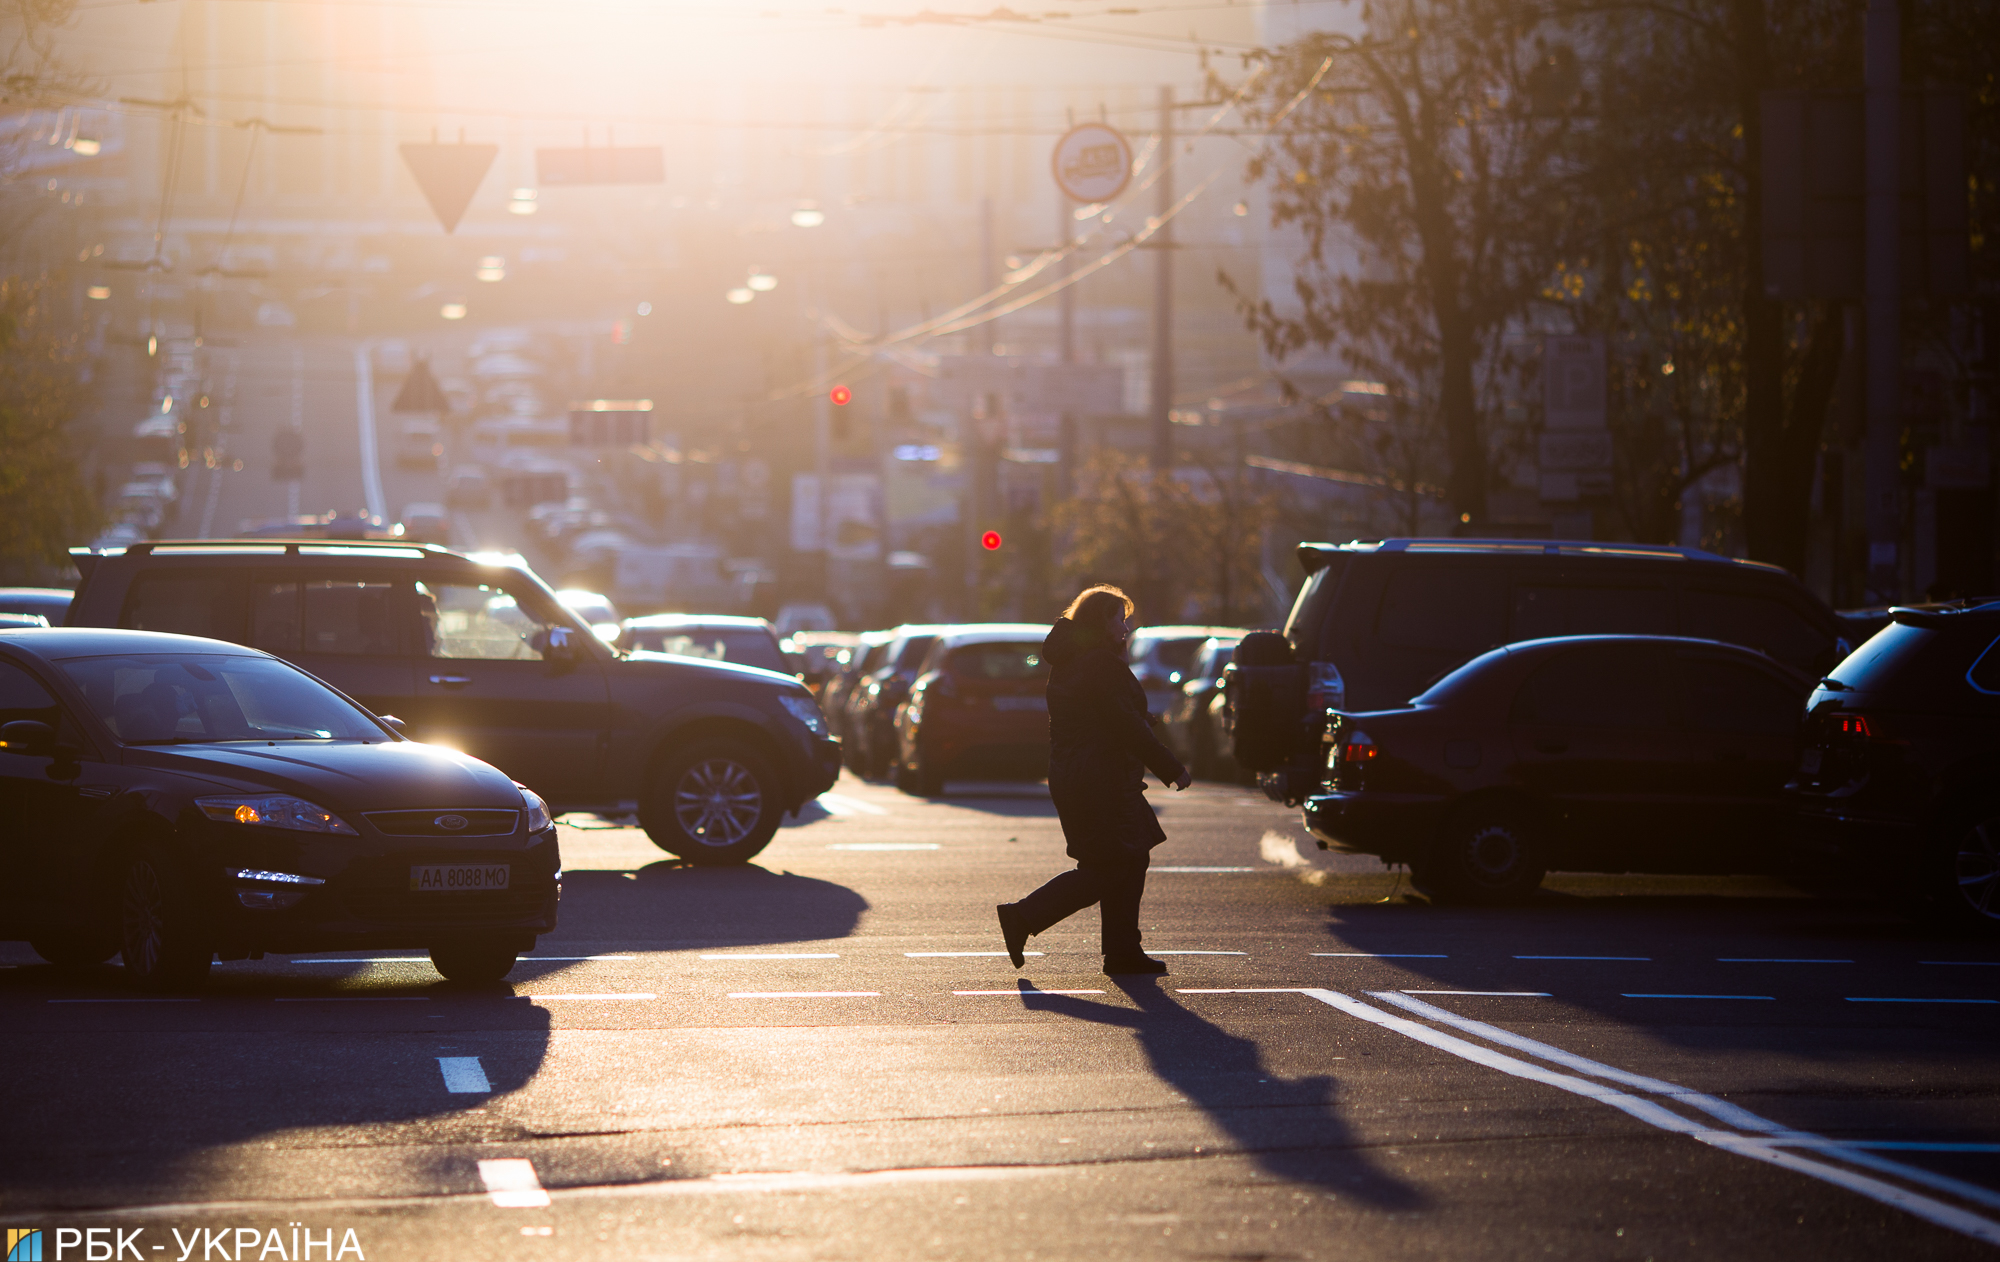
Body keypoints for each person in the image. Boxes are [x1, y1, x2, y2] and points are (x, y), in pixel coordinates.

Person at [997, 584, 1192, 976]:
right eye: (1120, 619)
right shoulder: (1100, 664)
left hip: (1079, 774)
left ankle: (1121, 950)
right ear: (1102, 621)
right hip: (1100, 778)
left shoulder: (1071, 660)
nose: (1126, 627)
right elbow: (1127, 725)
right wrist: (1170, 767)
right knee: (1112, 865)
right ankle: (1024, 917)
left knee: (1126, 857)